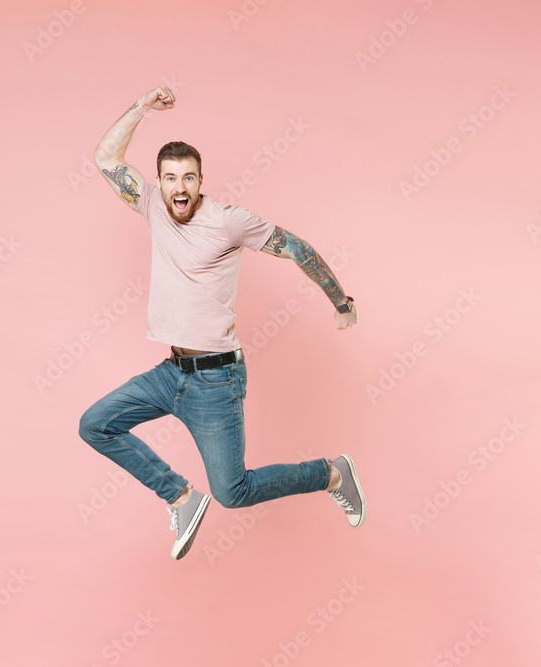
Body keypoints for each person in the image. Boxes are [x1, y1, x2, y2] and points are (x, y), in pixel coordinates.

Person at [79, 86, 366, 560]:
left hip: (216, 381)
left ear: (200, 180)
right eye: (170, 178)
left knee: (233, 492)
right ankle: (180, 496)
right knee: (96, 425)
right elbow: (105, 156)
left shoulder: (229, 220)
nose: (179, 188)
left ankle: (333, 472)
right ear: (160, 182)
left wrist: (341, 302)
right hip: (171, 373)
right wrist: (142, 109)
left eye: (188, 178)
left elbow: (298, 249)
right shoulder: (150, 205)